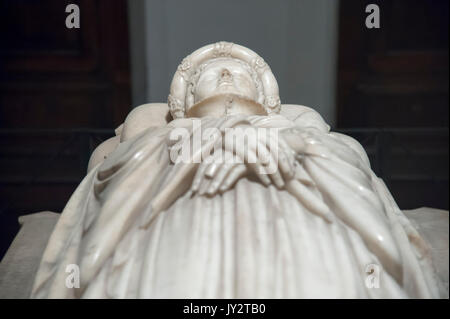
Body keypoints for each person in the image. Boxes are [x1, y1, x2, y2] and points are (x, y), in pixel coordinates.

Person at [31, 42, 442, 298]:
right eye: (210, 73)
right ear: (182, 103)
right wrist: (213, 139)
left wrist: (291, 143)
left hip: (293, 209)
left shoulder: (302, 133)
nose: (227, 73)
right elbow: (111, 177)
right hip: (181, 213)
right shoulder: (158, 136)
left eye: (241, 73)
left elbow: (353, 171)